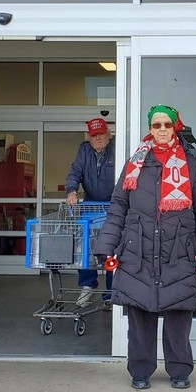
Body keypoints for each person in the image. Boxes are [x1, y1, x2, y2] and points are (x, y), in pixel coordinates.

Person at [92, 105, 196, 390]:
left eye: (166, 125)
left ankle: (179, 370)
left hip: (179, 250)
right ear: (150, 129)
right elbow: (118, 210)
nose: (161, 130)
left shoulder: (192, 165)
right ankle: (140, 370)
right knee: (140, 317)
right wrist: (106, 246)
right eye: (155, 125)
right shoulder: (134, 164)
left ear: (175, 127)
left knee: (178, 316)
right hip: (137, 251)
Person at [65, 117, 116, 311]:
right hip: (90, 207)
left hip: (113, 207)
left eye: (101, 134)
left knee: (112, 250)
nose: (97, 138)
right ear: (89, 137)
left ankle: (111, 293)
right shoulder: (84, 149)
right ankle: (87, 286)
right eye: (94, 135)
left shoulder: (116, 148)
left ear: (108, 135)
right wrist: (71, 191)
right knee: (84, 248)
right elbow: (75, 172)